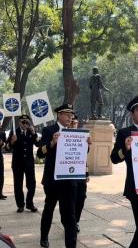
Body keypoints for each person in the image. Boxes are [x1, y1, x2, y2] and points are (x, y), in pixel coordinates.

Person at [37, 104, 91, 248]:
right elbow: (40, 153)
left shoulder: (76, 132)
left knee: (70, 217)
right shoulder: (49, 130)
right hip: (53, 181)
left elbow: (80, 154)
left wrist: (87, 145)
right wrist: (52, 142)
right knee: (49, 209)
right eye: (67, 114)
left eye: (71, 114)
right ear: (59, 115)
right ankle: (44, 237)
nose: (70, 117)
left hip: (69, 181)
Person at [110, 96, 138, 248]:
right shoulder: (124, 133)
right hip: (135, 187)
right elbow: (114, 158)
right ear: (132, 113)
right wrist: (125, 149)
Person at [7, 115, 39, 213]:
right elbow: (7, 147)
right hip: (18, 163)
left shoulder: (31, 131)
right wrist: (12, 141)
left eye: (27, 122)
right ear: (19, 123)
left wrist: (34, 134)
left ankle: (29, 203)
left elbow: (38, 144)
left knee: (32, 185)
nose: (25, 124)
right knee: (18, 185)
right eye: (23, 122)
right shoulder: (14, 131)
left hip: (29, 163)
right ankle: (20, 205)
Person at [69, 115, 89, 233]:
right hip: (67, 174)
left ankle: (76, 221)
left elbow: (84, 156)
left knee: (81, 197)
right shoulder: (62, 135)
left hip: (80, 173)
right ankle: (70, 222)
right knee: (70, 199)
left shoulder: (83, 135)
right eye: (71, 122)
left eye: (75, 122)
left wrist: (86, 174)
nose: (73, 124)